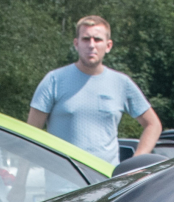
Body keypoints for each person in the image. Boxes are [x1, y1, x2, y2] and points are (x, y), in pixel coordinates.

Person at [28, 15, 160, 162]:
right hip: (64, 182)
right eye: (86, 39)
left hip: (108, 181)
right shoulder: (54, 80)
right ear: (76, 44)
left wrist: (135, 165)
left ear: (108, 46)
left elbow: (153, 124)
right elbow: (30, 135)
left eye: (97, 39)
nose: (91, 45)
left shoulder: (121, 83)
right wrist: (20, 180)